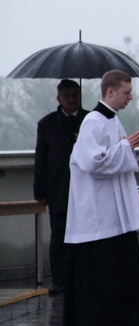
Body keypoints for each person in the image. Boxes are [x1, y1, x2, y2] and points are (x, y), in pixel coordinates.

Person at [63, 70, 139, 326]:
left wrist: (123, 146)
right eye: (127, 93)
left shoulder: (112, 120)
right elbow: (93, 162)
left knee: (122, 271)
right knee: (102, 273)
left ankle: (125, 322)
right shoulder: (93, 121)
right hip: (98, 214)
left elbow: (112, 155)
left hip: (115, 214)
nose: (130, 98)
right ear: (110, 92)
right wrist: (124, 147)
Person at [33, 79, 89, 295]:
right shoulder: (46, 124)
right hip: (59, 190)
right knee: (59, 236)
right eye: (67, 96)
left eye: (75, 95)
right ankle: (60, 279)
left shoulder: (89, 120)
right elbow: (41, 161)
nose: (71, 100)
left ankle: (83, 278)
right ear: (59, 99)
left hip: (84, 189)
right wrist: (40, 192)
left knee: (85, 237)